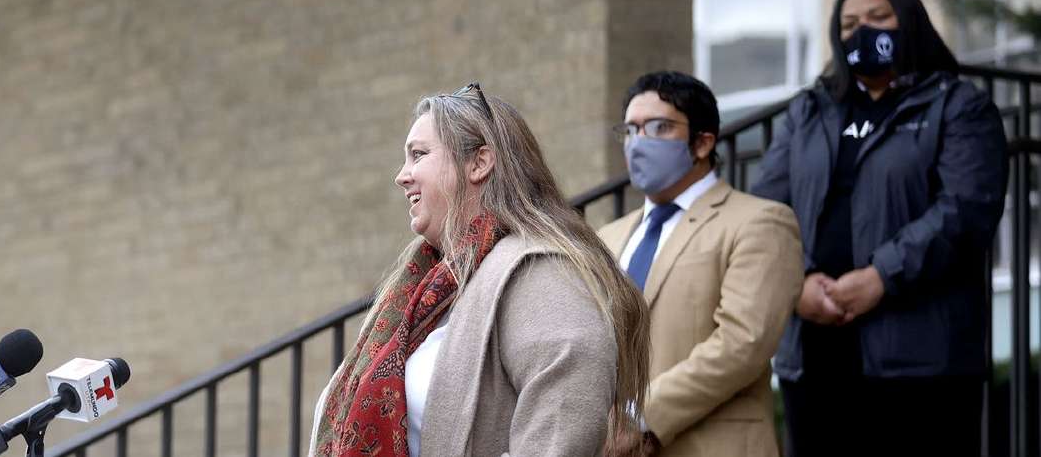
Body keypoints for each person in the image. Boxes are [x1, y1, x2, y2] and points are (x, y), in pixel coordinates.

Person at [307, 83, 652, 457]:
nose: (402, 176)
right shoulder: (422, 288)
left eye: (419, 155)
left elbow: (564, 419)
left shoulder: (536, 270)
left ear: (479, 163)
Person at [751, 0, 1008, 456]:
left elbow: (965, 211)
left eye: (878, 17)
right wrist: (797, 282)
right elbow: (765, 210)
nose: (862, 33)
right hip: (816, 350)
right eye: (849, 24)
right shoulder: (809, 111)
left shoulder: (956, 105)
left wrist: (878, 278)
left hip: (922, 358)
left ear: (908, 22)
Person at [598, 71, 803, 457]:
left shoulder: (759, 222)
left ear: (703, 142)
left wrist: (642, 417)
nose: (639, 143)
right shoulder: (607, 237)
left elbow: (743, 343)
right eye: (630, 130)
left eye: (658, 127)